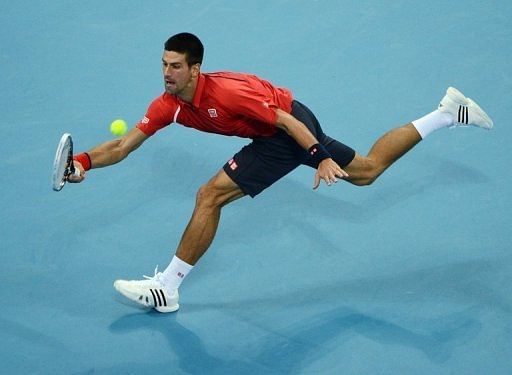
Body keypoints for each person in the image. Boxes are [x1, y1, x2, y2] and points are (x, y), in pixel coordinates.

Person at [70, 32, 493, 313]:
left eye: (175, 66)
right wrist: (83, 162)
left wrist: (319, 154)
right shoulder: (169, 104)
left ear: (195, 69)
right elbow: (123, 146)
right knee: (366, 171)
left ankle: (168, 286)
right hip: (276, 133)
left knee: (209, 195)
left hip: (289, 127)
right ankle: (446, 113)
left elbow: (287, 124)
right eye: (163, 64)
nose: (166, 73)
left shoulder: (229, 93)